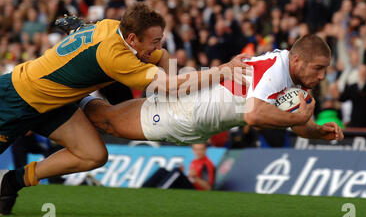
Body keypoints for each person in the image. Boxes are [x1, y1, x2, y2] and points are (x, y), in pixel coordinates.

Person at [0, 2, 250, 215]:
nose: (157, 46)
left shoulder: (114, 28)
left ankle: (10, 181)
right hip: (17, 98)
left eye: (159, 39)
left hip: (54, 102)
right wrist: (222, 71)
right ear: (133, 38)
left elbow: (161, 57)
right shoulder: (116, 57)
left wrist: (170, 74)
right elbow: (170, 86)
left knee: (94, 154)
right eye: (153, 41)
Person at [81, 34, 343, 146]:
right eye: (318, 68)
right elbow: (254, 115)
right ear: (297, 60)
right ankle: (76, 84)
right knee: (107, 121)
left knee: (111, 115)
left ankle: (80, 89)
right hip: (183, 112)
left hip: (194, 115)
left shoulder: (291, 78)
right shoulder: (276, 69)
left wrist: (318, 131)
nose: (321, 76)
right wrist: (297, 118)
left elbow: (296, 125)